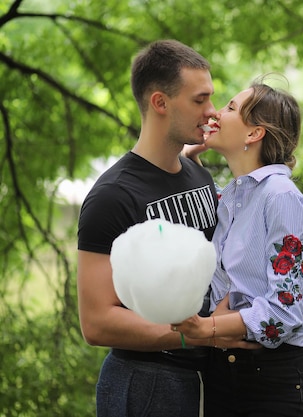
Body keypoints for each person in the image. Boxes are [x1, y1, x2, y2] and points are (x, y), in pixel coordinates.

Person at [76, 39, 250, 417]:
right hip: (145, 381)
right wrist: (197, 333)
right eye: (199, 100)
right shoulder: (113, 196)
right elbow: (97, 322)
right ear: (160, 103)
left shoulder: (197, 174)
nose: (212, 111)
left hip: (205, 377)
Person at [176, 77, 303, 417]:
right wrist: (190, 157)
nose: (214, 113)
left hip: (274, 380)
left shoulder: (281, 198)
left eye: (229, 108)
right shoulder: (235, 196)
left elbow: (287, 312)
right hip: (224, 373)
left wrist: (206, 329)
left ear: (253, 133)